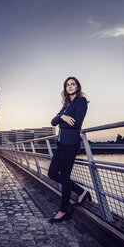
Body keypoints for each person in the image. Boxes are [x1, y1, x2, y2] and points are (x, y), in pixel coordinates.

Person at [48, 76, 91, 224]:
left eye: (73, 84)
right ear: (65, 89)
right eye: (68, 85)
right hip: (61, 143)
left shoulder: (81, 101)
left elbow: (77, 124)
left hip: (71, 143)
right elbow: (53, 121)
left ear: (77, 87)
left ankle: (63, 210)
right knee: (52, 173)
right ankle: (81, 192)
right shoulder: (66, 104)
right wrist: (63, 117)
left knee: (65, 175)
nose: (70, 86)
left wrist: (62, 120)